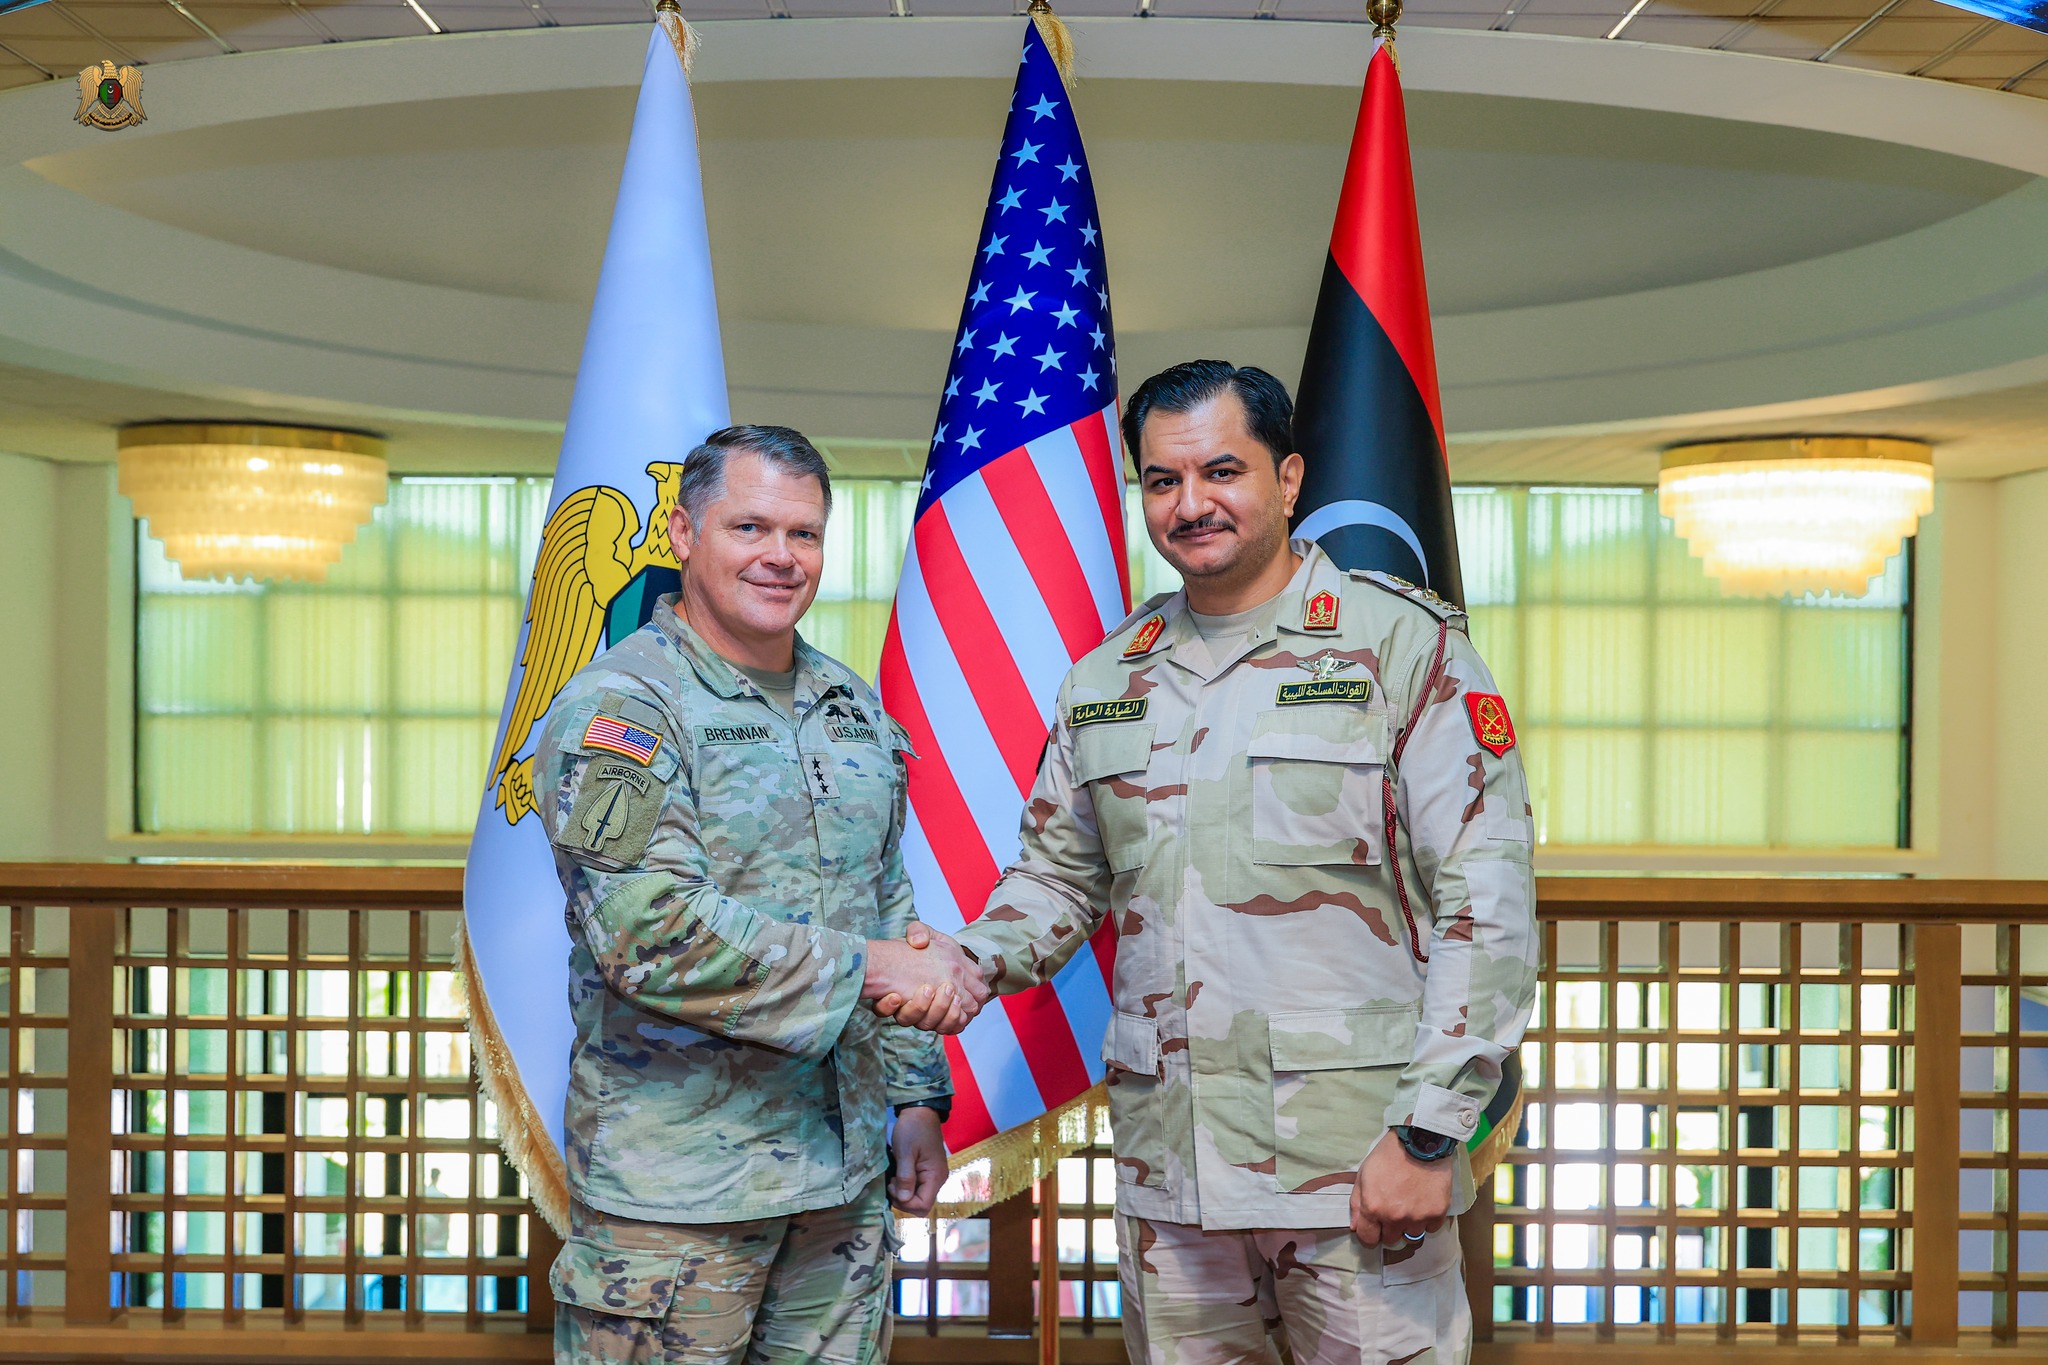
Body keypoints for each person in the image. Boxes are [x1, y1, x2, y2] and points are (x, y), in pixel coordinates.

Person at [888, 362, 1538, 1365]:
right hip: (1174, 1178)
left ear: (1286, 480)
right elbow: (1059, 876)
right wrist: (968, 963)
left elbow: (1483, 903)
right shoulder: (1109, 676)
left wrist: (1426, 1134)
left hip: (1354, 1168)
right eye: (1160, 481)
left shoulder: (1401, 649)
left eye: (1220, 472)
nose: (1189, 504)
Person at [532, 424, 991, 1365]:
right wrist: (871, 967)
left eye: (806, 534)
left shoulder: (848, 706)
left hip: (842, 1178)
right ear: (681, 533)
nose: (782, 557)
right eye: (750, 527)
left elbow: (885, 899)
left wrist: (913, 1100)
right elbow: (644, 930)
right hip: (680, 1194)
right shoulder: (622, 709)